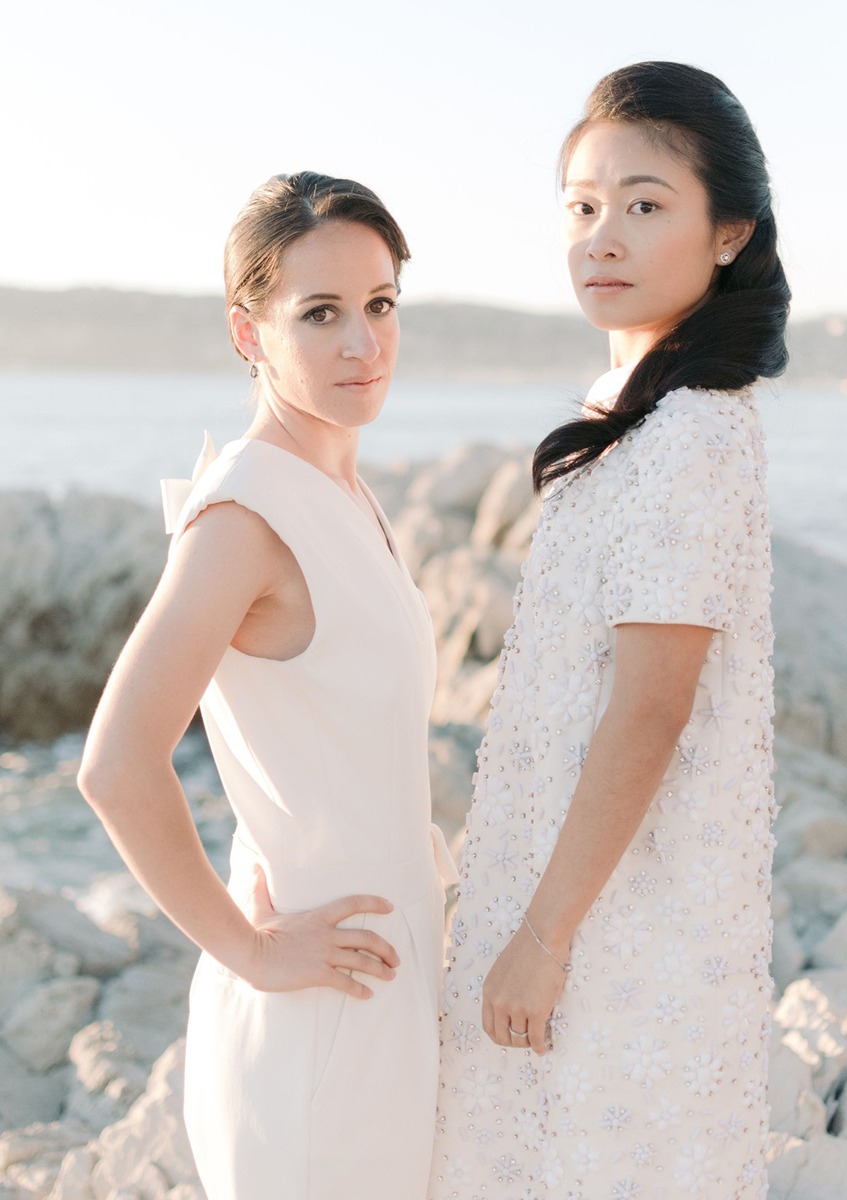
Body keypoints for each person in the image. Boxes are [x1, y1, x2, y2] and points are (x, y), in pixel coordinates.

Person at [429, 61, 789, 1199]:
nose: (603, 235)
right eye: (583, 206)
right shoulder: (625, 407)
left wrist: (544, 935)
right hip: (566, 877)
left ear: (728, 232)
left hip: (616, 912)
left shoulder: (692, 434)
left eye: (644, 204)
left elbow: (652, 704)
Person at [78, 171, 456, 1200]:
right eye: (320, 313)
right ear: (249, 334)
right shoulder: (245, 516)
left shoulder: (340, 486)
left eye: (380, 306)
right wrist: (248, 948)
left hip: (387, 977)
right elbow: (115, 765)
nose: (361, 344)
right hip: (317, 1016)